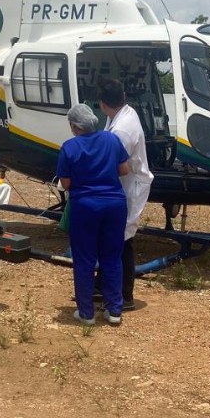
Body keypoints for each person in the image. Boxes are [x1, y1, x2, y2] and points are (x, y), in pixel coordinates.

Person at [56, 103, 130, 326]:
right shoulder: (112, 140)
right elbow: (124, 170)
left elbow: (66, 183)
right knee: (112, 257)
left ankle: (87, 313)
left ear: (73, 125)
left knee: (85, 259)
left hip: (85, 206)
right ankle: (114, 310)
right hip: (115, 205)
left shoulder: (69, 147)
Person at [97, 79, 154, 311]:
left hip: (130, 187)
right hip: (123, 184)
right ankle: (101, 286)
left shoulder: (121, 129)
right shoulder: (121, 114)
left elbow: (116, 165)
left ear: (101, 103)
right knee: (109, 237)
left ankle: (124, 295)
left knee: (122, 240)